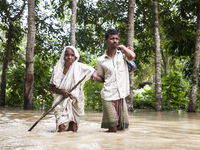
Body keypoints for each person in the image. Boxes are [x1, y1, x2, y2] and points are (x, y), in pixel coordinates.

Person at [49, 46, 98, 132]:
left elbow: (94, 71)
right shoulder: (58, 69)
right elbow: (51, 87)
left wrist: (94, 75)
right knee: (61, 127)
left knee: (73, 128)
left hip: (75, 100)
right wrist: (61, 91)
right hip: (61, 100)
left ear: (75, 57)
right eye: (67, 55)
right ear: (63, 56)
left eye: (72, 55)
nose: (69, 57)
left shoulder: (79, 67)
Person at [95, 29, 136, 132]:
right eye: (112, 38)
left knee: (122, 129)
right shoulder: (101, 60)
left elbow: (132, 57)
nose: (115, 41)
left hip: (121, 94)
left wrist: (122, 47)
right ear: (106, 40)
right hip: (108, 95)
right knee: (113, 129)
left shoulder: (122, 55)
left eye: (117, 39)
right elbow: (102, 79)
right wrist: (95, 78)